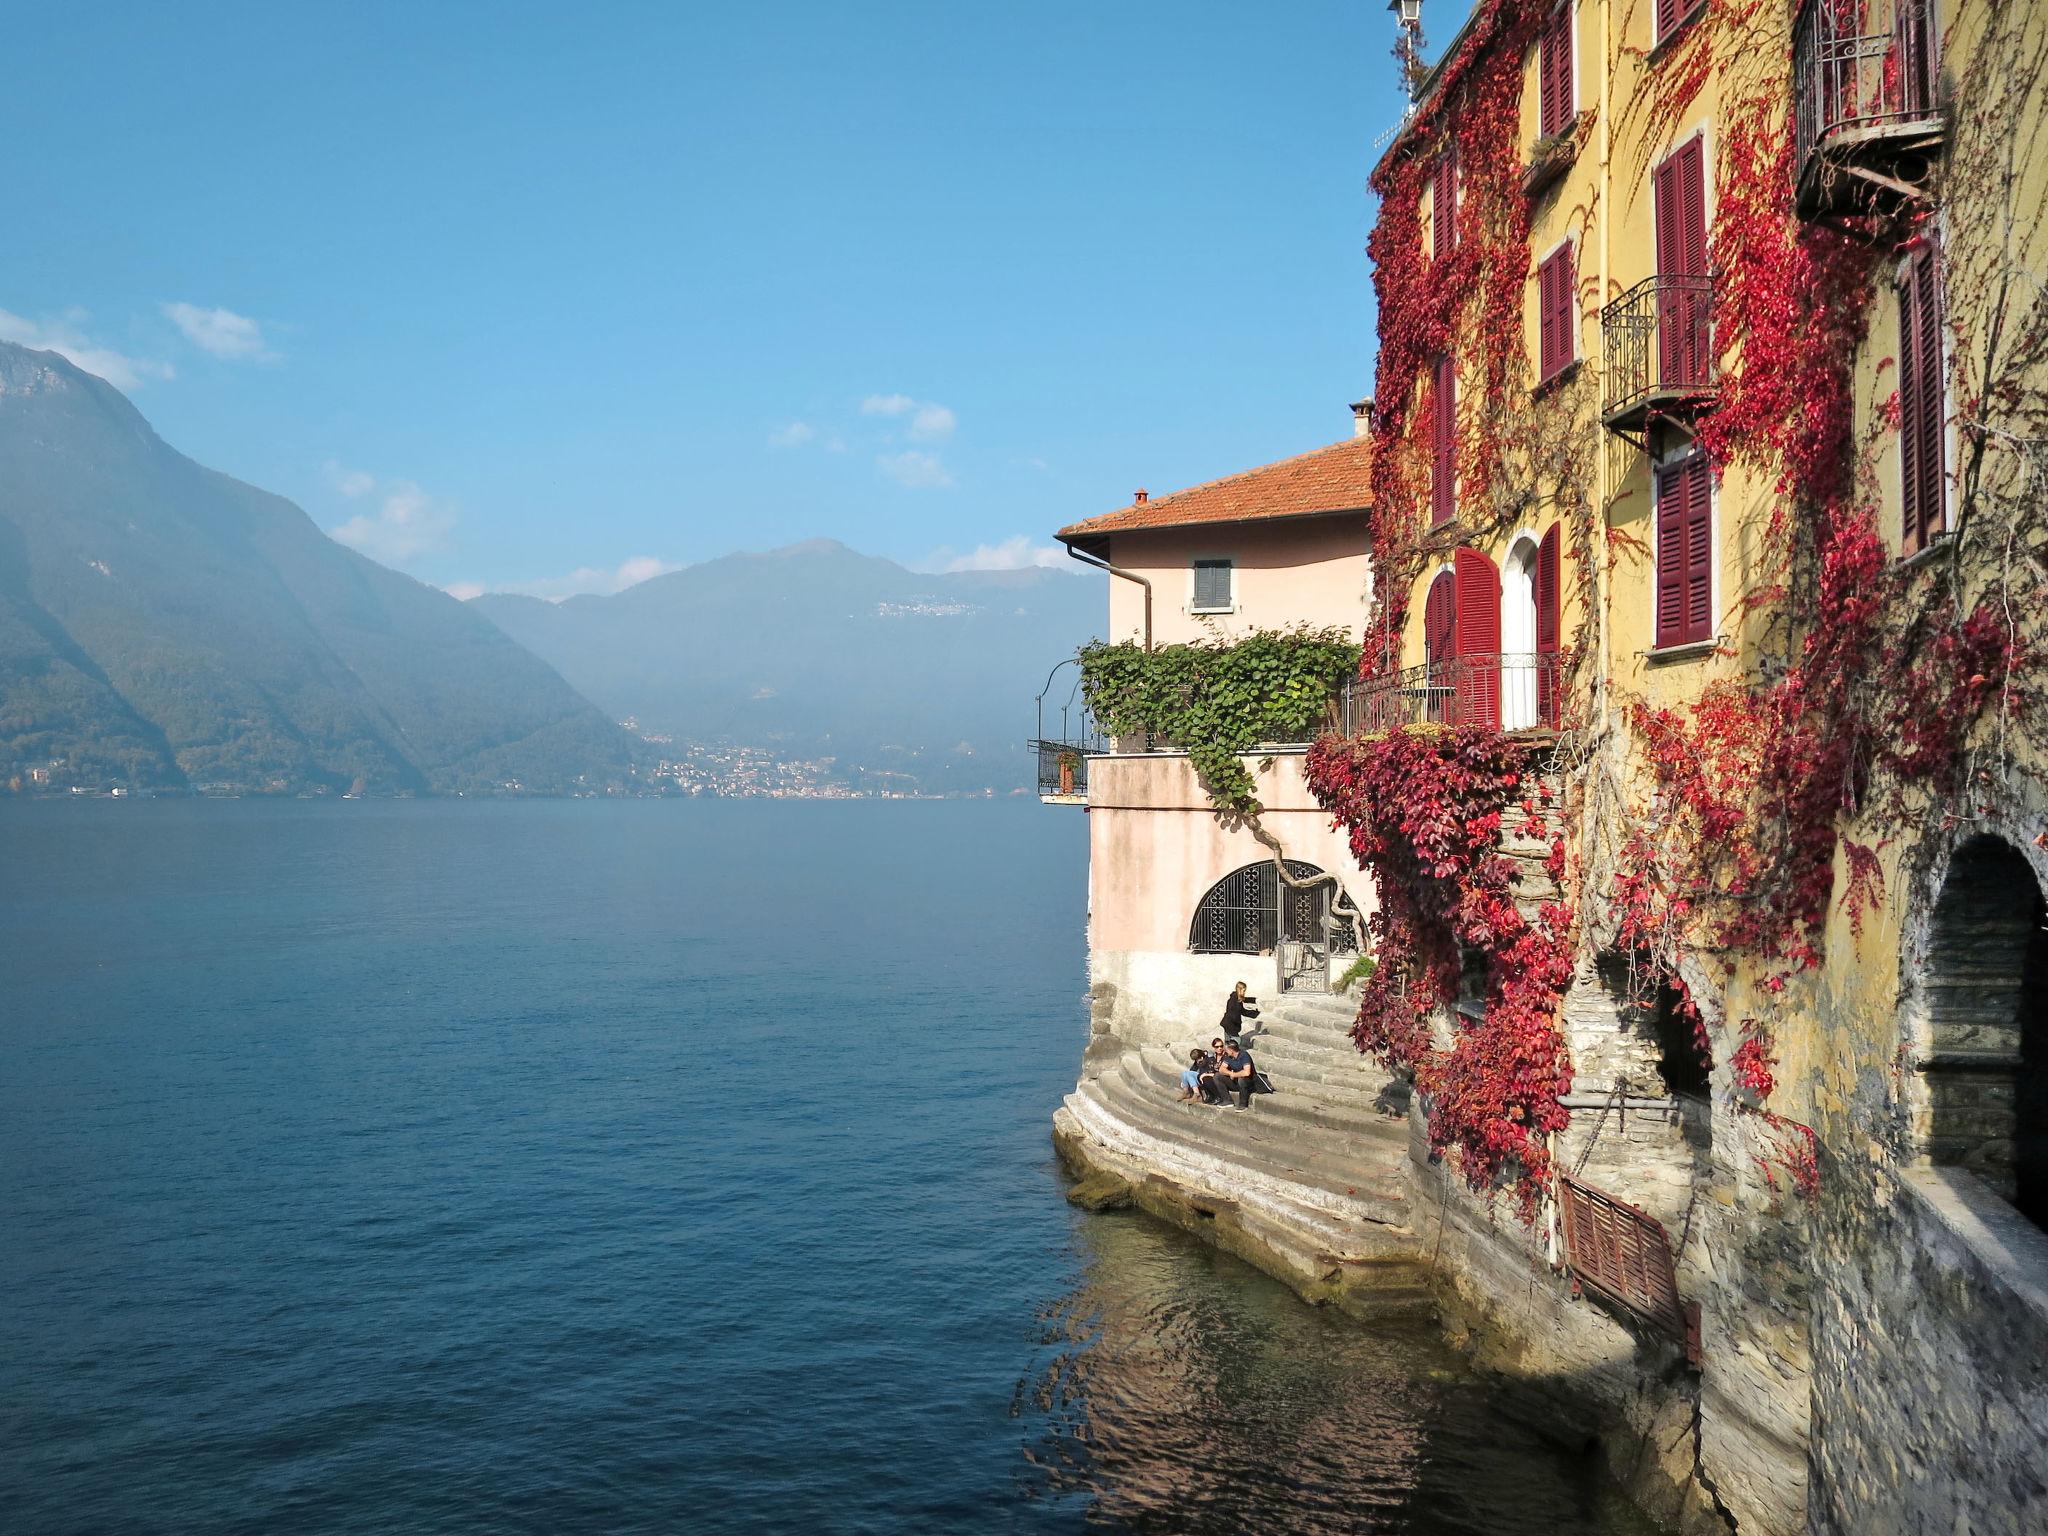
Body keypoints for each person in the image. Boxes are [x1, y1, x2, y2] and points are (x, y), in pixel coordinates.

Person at [1215, 1037, 1256, 1110]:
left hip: (1248, 1083)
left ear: (1231, 1050)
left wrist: (1234, 1074)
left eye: (1226, 1049)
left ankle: (1243, 1104)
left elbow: (1247, 1072)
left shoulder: (1244, 1055)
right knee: (1217, 1076)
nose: (1224, 1051)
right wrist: (1230, 1073)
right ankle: (1227, 1100)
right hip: (1235, 1082)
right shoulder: (1229, 1057)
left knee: (1242, 1079)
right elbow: (1221, 1069)